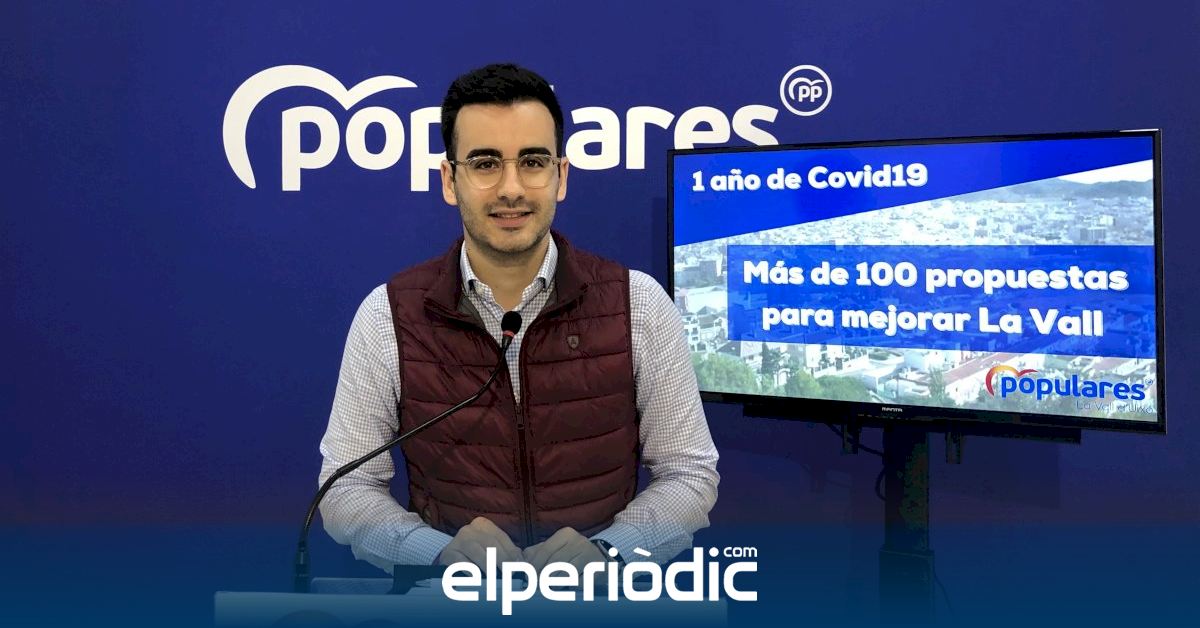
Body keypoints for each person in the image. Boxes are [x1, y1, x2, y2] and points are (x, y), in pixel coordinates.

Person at [318, 63, 718, 575]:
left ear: (561, 176)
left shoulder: (638, 304)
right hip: (451, 597)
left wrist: (611, 551)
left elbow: (689, 473)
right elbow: (347, 489)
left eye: (532, 161)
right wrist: (434, 552)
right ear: (450, 180)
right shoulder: (388, 315)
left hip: (598, 598)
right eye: (485, 163)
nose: (512, 188)